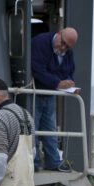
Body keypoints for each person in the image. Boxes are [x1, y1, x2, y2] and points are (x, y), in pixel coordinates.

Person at [31, 27, 78, 171]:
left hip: (50, 94)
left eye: (67, 47)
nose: (63, 48)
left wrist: (69, 83)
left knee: (50, 130)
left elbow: (69, 71)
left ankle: (54, 162)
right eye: (62, 43)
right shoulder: (40, 42)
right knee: (33, 129)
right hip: (34, 93)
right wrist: (58, 83)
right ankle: (34, 163)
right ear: (58, 34)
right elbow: (37, 69)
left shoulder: (67, 53)